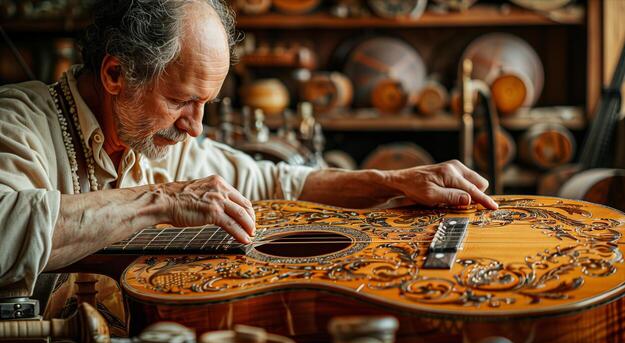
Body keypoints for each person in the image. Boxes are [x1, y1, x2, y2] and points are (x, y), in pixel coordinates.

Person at [0, 0, 497, 300]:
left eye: (206, 103)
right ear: (115, 75)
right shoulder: (20, 121)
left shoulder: (158, 141)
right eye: (181, 101)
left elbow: (272, 182)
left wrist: (390, 182)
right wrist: (160, 201)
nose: (195, 127)